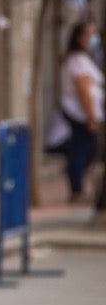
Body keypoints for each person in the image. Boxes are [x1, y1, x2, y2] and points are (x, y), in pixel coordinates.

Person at [56, 20, 103, 204]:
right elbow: (83, 91)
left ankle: (79, 185)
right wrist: (91, 115)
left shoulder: (82, 59)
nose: (94, 38)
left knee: (84, 149)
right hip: (80, 114)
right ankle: (77, 188)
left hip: (83, 114)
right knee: (83, 150)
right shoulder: (78, 61)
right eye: (91, 34)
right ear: (80, 37)